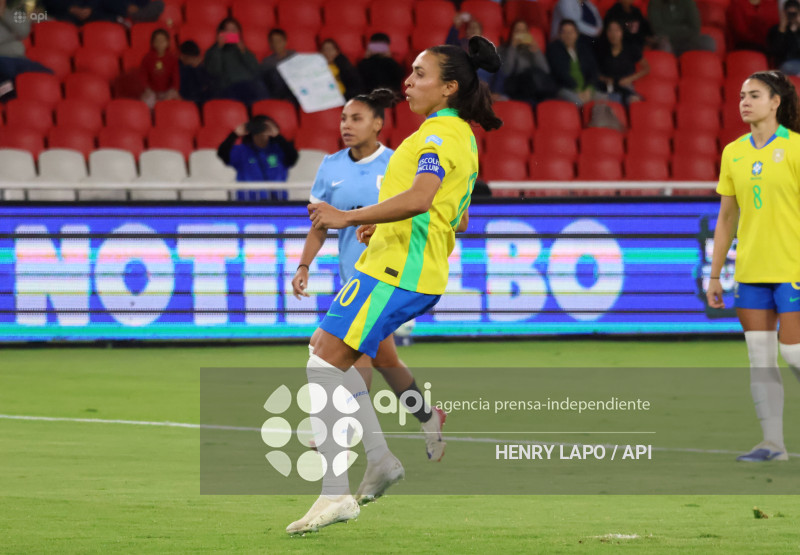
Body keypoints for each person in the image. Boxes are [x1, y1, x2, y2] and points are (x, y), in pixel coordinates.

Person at [285, 36, 502, 535]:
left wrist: (349, 216)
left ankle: (339, 490)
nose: (408, 81)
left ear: (449, 87)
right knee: (331, 355)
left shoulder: (436, 138)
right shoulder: (457, 137)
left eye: (420, 74)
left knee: (323, 358)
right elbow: (457, 217)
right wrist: (381, 224)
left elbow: (423, 198)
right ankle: (371, 466)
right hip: (403, 264)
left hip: (396, 270)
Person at [292, 86, 447, 463]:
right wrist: (304, 265)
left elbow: (420, 209)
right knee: (386, 361)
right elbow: (319, 224)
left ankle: (346, 427)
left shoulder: (397, 164)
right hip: (355, 277)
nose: (346, 125)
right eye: (344, 118)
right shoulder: (331, 166)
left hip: (388, 277)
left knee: (346, 350)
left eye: (356, 118)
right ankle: (429, 417)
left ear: (378, 123)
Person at [707, 70, 800, 463]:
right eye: (742, 95)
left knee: (794, 354)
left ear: (776, 102)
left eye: (755, 95)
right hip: (750, 272)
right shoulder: (734, 152)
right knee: (760, 359)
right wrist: (715, 274)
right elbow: (727, 218)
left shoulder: (796, 148)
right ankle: (772, 444)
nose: (745, 101)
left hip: (793, 268)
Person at [217, 115, 298, 201]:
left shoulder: (280, 150)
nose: (261, 132)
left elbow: (292, 157)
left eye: (264, 128)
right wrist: (234, 135)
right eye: (258, 127)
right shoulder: (242, 151)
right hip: (247, 203)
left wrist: (278, 136)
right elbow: (222, 153)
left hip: (277, 202)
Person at [204, 17, 267, 105]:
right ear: (220, 33)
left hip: (250, 84)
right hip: (228, 87)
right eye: (227, 30)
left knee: (260, 90)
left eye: (233, 30)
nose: (230, 33)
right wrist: (218, 48)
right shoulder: (213, 51)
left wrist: (243, 51)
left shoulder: (243, 49)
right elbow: (214, 71)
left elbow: (255, 68)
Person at [498, 19, 557, 106]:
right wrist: (513, 47)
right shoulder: (503, 49)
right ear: (512, 33)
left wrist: (536, 51)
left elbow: (545, 70)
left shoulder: (532, 49)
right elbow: (507, 71)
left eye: (523, 31)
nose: (520, 34)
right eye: (517, 31)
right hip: (517, 84)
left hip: (536, 86)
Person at [547, 19, 601, 106]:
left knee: (606, 101)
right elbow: (560, 73)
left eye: (571, 32)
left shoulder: (584, 49)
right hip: (566, 88)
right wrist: (577, 90)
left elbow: (593, 70)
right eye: (564, 32)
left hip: (586, 89)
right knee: (579, 103)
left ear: (576, 34)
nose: (568, 36)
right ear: (559, 35)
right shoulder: (554, 49)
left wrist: (588, 89)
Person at [595, 20, 649, 105]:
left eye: (616, 30)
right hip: (608, 87)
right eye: (610, 30)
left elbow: (646, 68)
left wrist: (629, 79)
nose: (613, 34)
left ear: (622, 32)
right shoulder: (602, 50)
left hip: (625, 85)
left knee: (633, 100)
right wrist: (605, 79)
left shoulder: (631, 48)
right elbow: (596, 72)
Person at [647, 0, 716, 56]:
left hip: (687, 41)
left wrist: (669, 29)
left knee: (708, 42)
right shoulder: (654, 3)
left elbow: (695, 28)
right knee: (663, 46)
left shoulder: (688, 2)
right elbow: (658, 30)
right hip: (666, 41)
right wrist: (684, 28)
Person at [140, 28, 179, 109]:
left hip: (168, 91)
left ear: (168, 43)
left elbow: (176, 77)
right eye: (157, 41)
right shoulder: (147, 58)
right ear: (153, 43)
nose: (160, 44)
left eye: (163, 41)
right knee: (146, 104)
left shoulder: (172, 59)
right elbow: (143, 77)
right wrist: (147, 89)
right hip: (151, 91)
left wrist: (173, 90)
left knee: (174, 104)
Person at [260, 28, 296, 103]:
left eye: (279, 41)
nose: (276, 44)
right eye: (273, 42)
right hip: (278, 91)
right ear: (270, 44)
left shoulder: (294, 56)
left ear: (285, 42)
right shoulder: (267, 61)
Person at [768, 0, 800, 75]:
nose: (792, 16)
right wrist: (782, 28)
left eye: (794, 13)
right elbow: (775, 51)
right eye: (789, 13)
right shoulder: (776, 30)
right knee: (787, 67)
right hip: (787, 64)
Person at [178, 40, 212, 106]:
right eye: (191, 58)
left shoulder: (201, 68)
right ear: (182, 56)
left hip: (202, 101)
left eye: (194, 58)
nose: (193, 61)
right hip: (187, 102)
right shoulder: (179, 69)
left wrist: (198, 68)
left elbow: (206, 85)